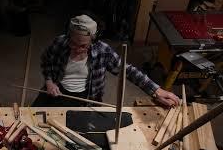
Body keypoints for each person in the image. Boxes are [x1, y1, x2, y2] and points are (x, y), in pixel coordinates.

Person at [32, 14, 179, 107]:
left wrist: (156, 90)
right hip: (56, 91)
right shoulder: (60, 42)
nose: (76, 49)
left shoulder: (102, 50)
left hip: (87, 98)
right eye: (73, 43)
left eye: (83, 45)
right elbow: (46, 61)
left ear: (93, 40)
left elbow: (127, 70)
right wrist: (49, 82)